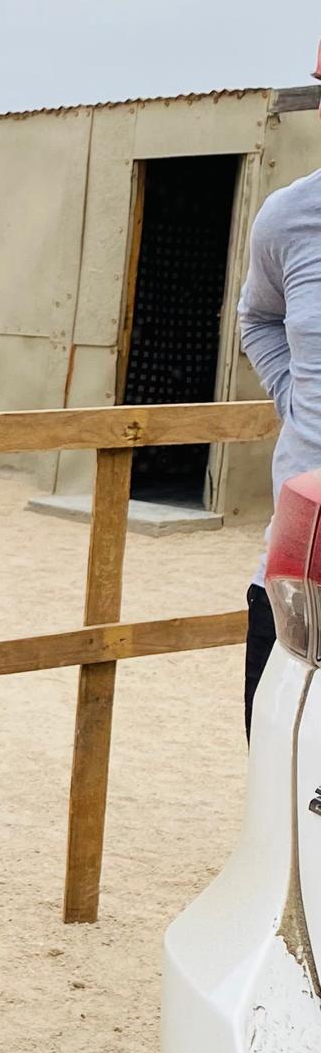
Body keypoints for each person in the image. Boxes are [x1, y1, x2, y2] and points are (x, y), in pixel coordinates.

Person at [238, 110, 321, 734]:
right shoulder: (290, 217)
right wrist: (295, 399)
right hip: (299, 582)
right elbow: (259, 318)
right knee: (281, 774)